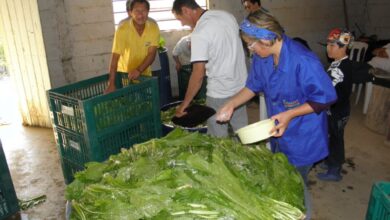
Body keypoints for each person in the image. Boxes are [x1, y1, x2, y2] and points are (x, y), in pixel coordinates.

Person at [216, 11, 337, 219]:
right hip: (280, 129)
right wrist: (231, 104)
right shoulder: (263, 58)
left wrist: (290, 114)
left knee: (297, 182)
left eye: (250, 45)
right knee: (284, 173)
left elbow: (325, 97)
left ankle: (302, 215)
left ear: (266, 40)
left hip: (304, 135)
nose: (249, 50)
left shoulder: (302, 60)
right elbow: (253, 86)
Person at [172, 0, 248, 137]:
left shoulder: (199, 32)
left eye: (180, 19)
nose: (182, 23)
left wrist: (185, 103)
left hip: (219, 92)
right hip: (241, 88)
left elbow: (198, 74)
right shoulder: (226, 16)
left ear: (185, 10)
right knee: (242, 133)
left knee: (218, 139)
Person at [316, 28, 354, 182]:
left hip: (338, 112)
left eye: (333, 46)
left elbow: (329, 90)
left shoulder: (341, 68)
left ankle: (335, 170)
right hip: (336, 109)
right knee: (331, 137)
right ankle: (331, 161)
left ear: (344, 47)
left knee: (336, 140)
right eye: (328, 45)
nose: (328, 49)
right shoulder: (337, 63)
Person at [105, 0, 160, 93]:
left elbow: (151, 54)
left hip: (144, 75)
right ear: (130, 13)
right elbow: (115, 58)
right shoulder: (122, 29)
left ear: (148, 12)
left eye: (144, 11)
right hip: (125, 76)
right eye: (137, 11)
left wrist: (139, 70)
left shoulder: (153, 27)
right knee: (129, 102)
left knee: (146, 102)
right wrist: (111, 83)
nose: (140, 15)